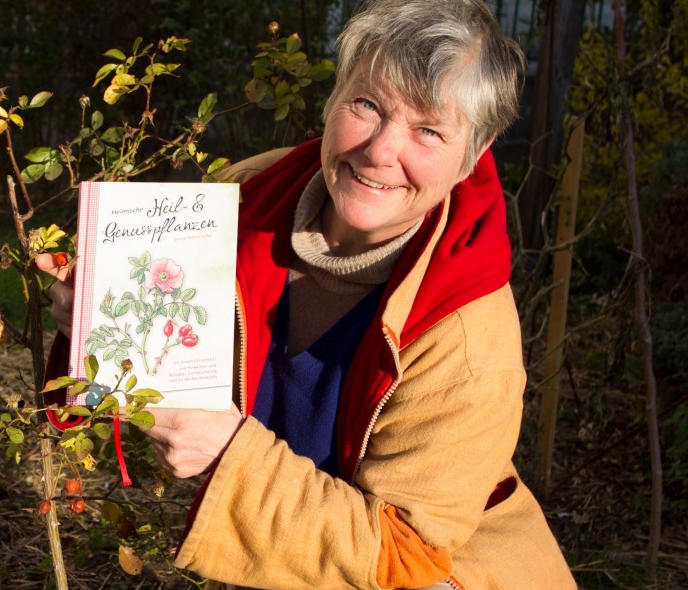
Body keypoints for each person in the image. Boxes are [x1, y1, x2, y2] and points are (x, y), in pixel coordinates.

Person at [38, 0, 576, 587]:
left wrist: (231, 459)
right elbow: (165, 361)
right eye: (367, 105)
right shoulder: (244, 199)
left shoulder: (468, 337)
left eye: (428, 130)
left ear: (476, 147)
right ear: (334, 91)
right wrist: (91, 317)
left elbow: (406, 559)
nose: (380, 152)